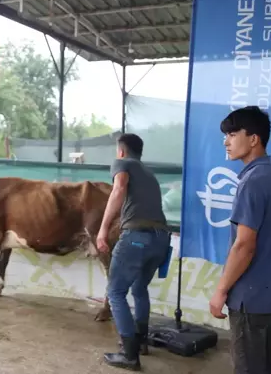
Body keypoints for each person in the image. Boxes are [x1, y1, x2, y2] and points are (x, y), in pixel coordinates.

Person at [208, 106, 271, 374]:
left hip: (249, 296)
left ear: (254, 138)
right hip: (267, 294)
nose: (226, 141)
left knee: (249, 367)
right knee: (264, 365)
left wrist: (221, 290)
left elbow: (244, 245)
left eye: (233, 134)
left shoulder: (253, 181)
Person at [97, 133, 171, 371]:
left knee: (116, 292)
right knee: (139, 288)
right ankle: (141, 343)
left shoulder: (122, 163)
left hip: (137, 237)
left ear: (121, 151)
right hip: (161, 239)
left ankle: (129, 355)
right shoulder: (150, 174)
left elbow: (118, 189)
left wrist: (102, 230)